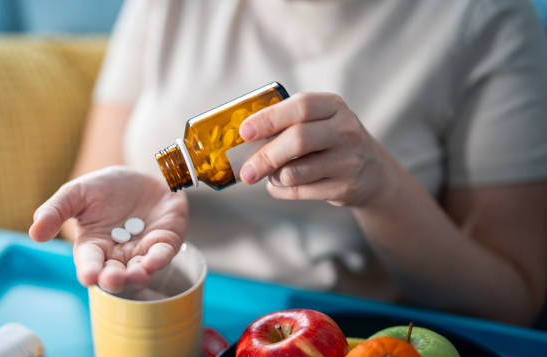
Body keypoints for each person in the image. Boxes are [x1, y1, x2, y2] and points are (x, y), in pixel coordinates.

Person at [29, 0, 547, 326]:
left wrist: (381, 189)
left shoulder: (488, 17)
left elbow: (510, 307)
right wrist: (103, 224)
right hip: (157, 311)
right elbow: (86, 213)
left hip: (348, 342)